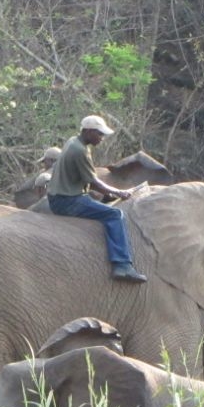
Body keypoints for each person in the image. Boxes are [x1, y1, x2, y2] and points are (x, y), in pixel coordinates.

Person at [46, 115, 148, 283]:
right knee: (115, 215)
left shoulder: (74, 141)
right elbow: (93, 181)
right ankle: (122, 265)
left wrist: (107, 194)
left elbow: (86, 180)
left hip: (62, 195)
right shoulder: (79, 150)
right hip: (67, 201)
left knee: (103, 204)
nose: (101, 138)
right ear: (88, 131)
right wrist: (119, 193)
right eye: (99, 134)